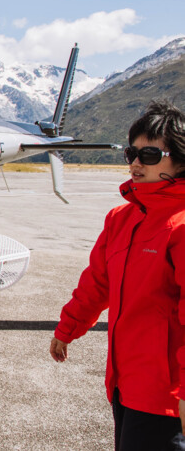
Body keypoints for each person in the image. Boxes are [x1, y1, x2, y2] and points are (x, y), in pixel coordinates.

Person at [49, 100, 185, 450]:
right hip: (125, 384)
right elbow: (97, 282)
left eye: (150, 155)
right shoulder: (121, 218)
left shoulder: (180, 225)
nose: (136, 164)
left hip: (165, 396)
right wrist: (68, 328)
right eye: (132, 154)